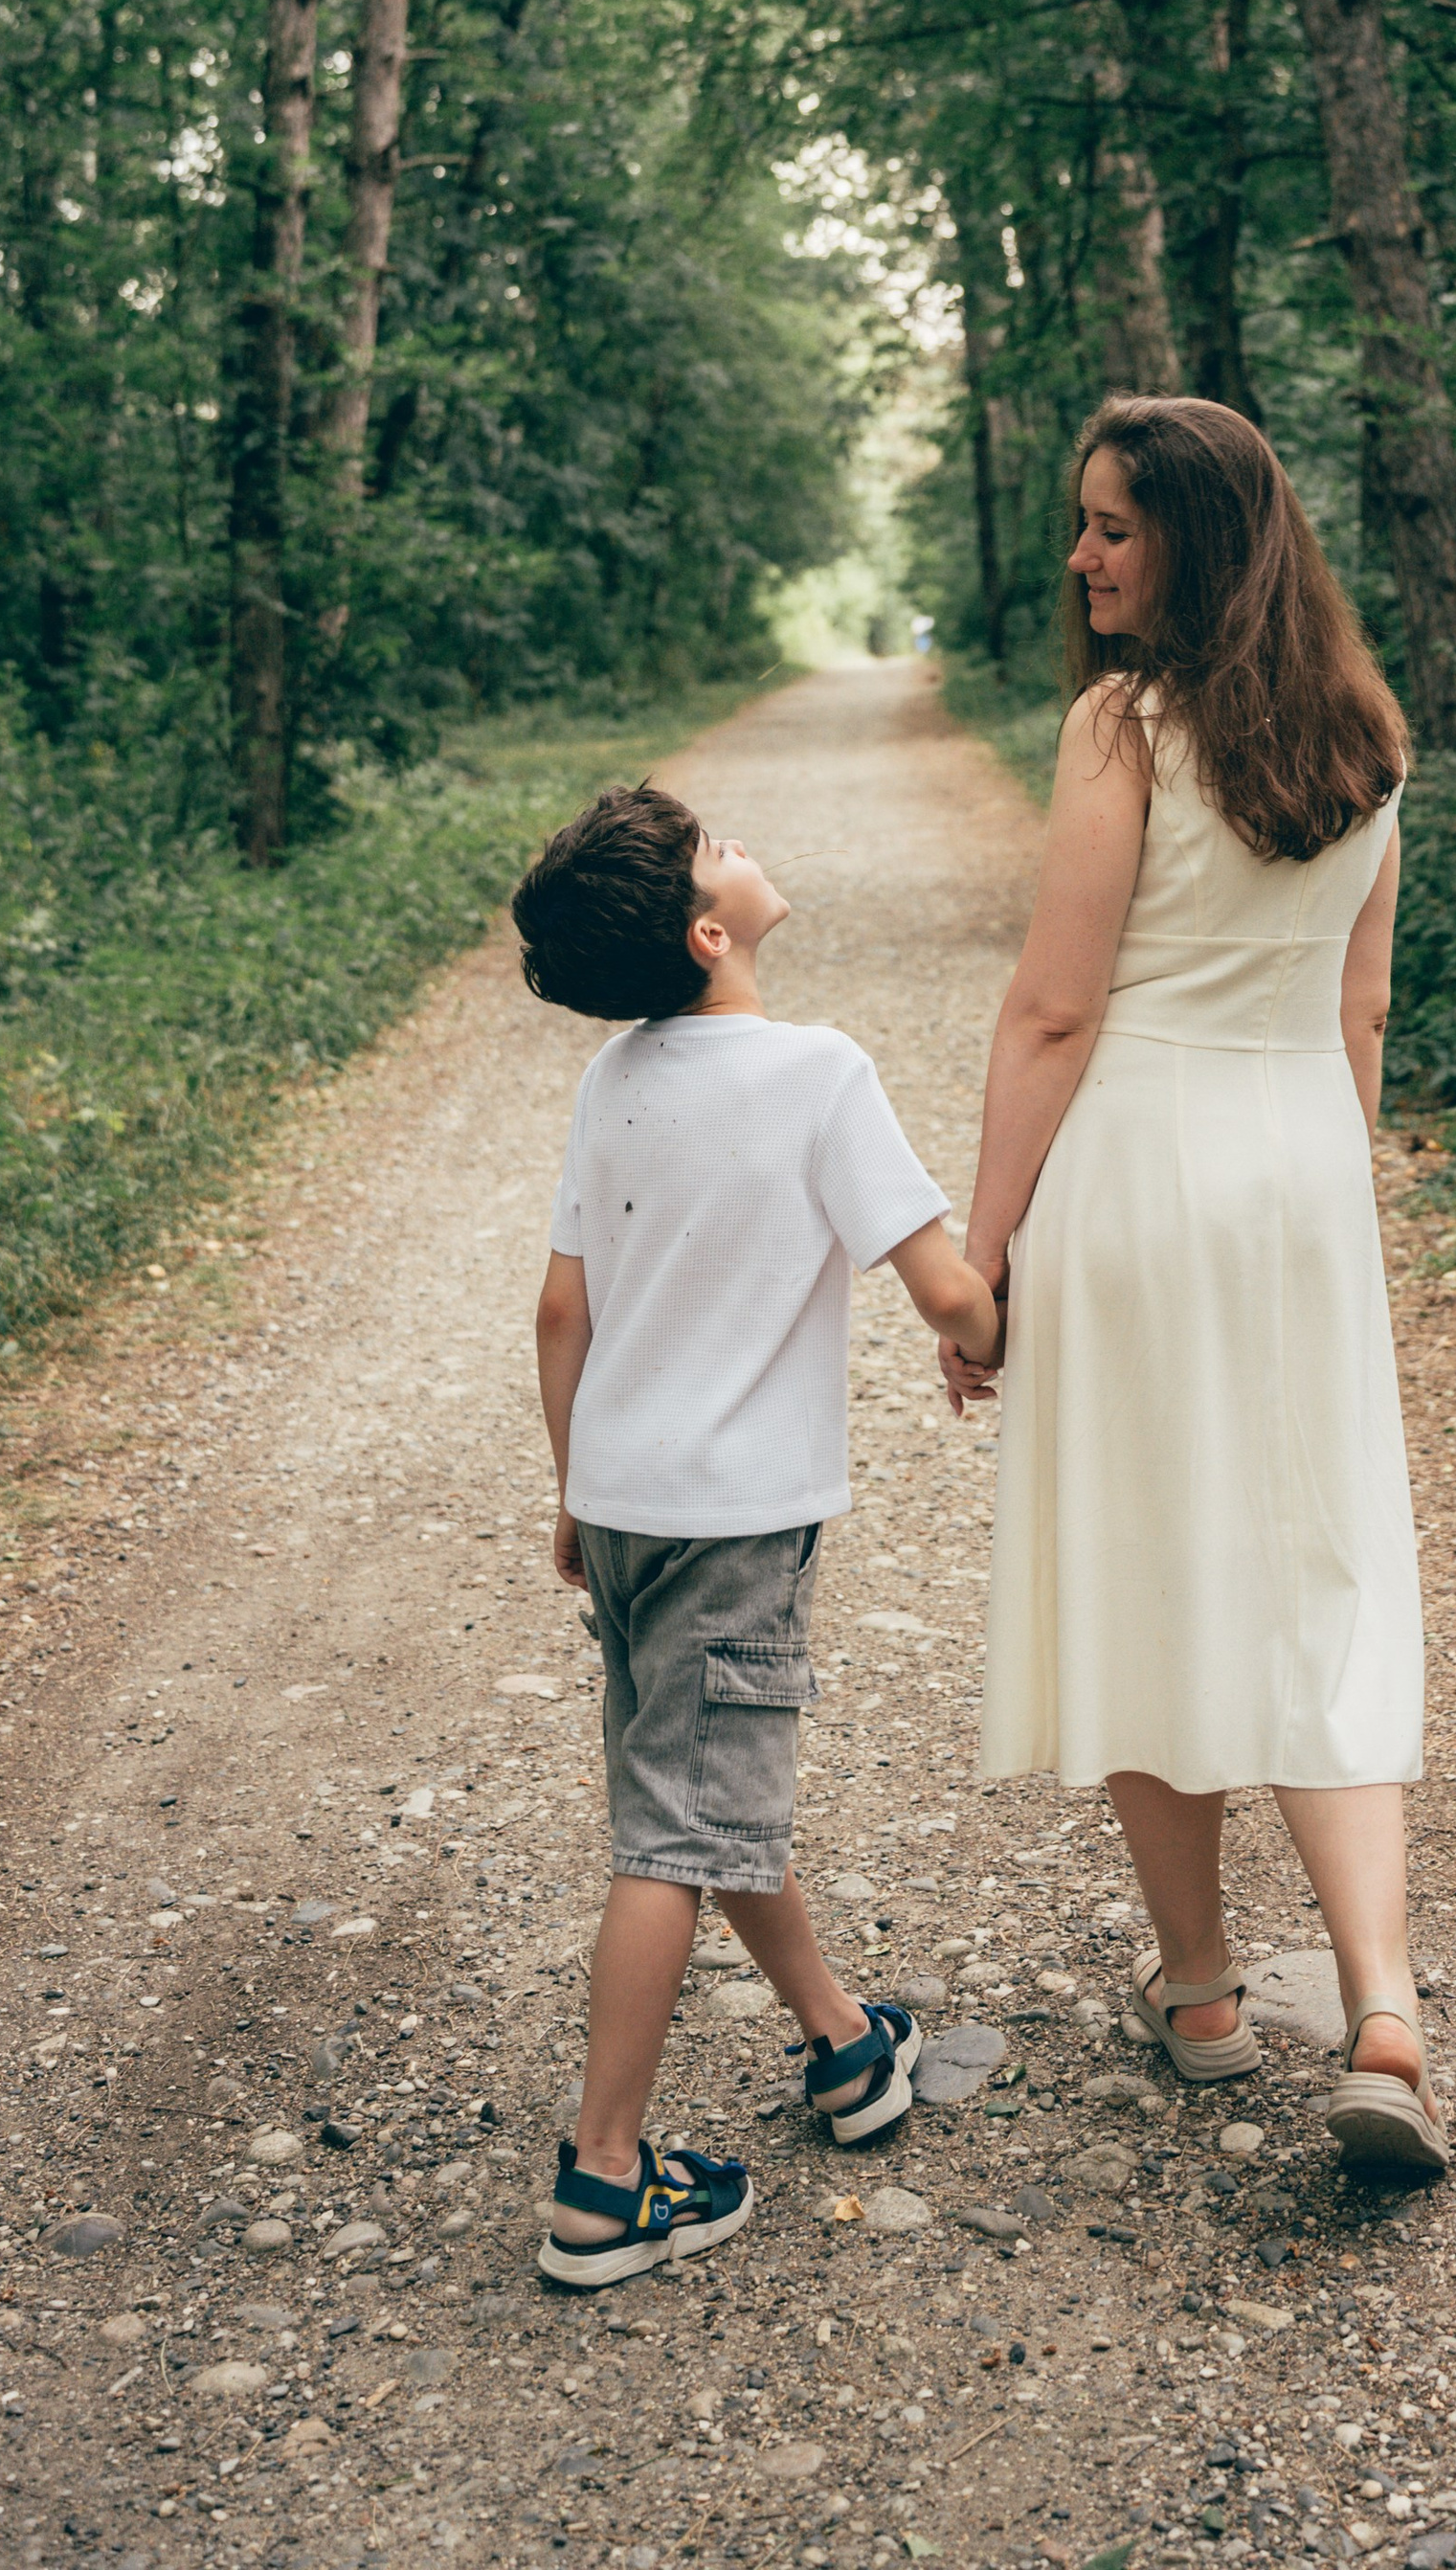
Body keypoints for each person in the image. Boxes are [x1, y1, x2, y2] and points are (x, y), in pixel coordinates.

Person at [950, 396, 1445, 2179]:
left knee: (1151, 1557)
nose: (1081, 558)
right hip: (1300, 1174)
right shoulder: (1371, 736)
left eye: (1112, 529)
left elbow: (1057, 1010)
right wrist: (1326, 1200)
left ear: (1200, 545)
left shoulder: (1125, 726)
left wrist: (981, 1256)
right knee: (1318, 1570)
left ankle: (1211, 1988)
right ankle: (1381, 2005)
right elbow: (1362, 1015)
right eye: (1083, 524)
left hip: (1143, 1169)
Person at [511, 779, 999, 2288]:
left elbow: (561, 1310)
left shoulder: (615, 1083)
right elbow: (944, 1289)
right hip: (732, 1523)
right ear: (711, 931)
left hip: (629, 1506)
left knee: (700, 1784)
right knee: (675, 1830)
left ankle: (847, 2049)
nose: (743, 840)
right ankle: (603, 2179)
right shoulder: (818, 1074)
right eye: (715, 844)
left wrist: (575, 1494)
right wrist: (995, 1326)